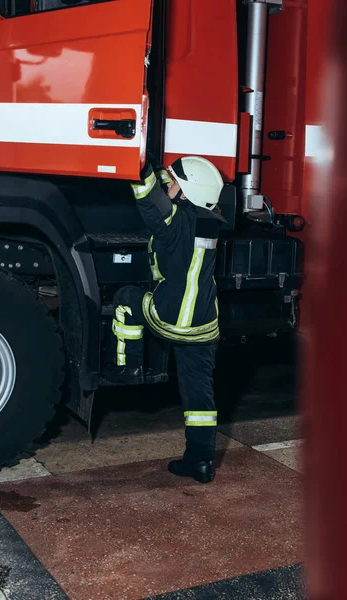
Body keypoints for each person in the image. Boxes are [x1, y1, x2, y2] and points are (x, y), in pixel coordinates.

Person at [110, 155, 225, 483]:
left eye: (174, 183)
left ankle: (127, 367)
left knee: (125, 301)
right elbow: (172, 195)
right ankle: (201, 462)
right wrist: (165, 171)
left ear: (186, 194)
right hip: (204, 325)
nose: (168, 186)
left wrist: (138, 163)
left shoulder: (173, 223)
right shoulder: (211, 222)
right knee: (199, 394)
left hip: (169, 318)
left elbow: (149, 200)